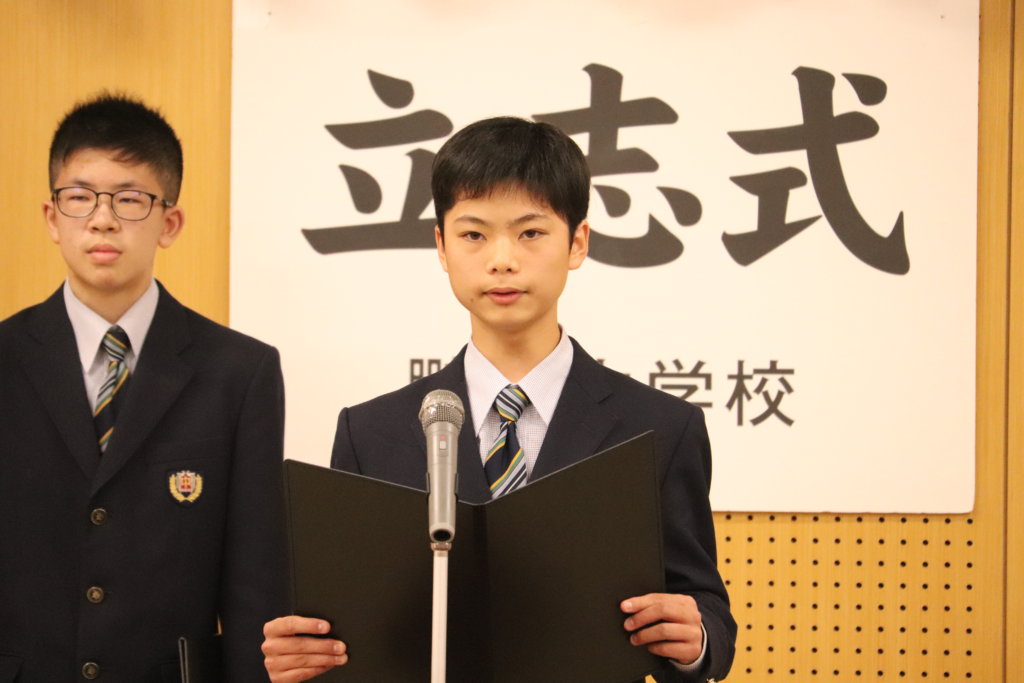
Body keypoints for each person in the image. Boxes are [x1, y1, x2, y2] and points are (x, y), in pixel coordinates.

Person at [262, 117, 736, 682]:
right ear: (441, 246)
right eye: (473, 235)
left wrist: (695, 639)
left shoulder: (660, 426)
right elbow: (349, 622)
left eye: (531, 233)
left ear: (577, 242)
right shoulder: (371, 432)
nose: (502, 259)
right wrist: (307, 656)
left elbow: (705, 608)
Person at [0, 94, 288, 682]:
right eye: (80, 197)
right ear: (52, 218)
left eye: (129, 199)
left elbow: (254, 582)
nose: (102, 219)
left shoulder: (240, 372)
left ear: (169, 223)